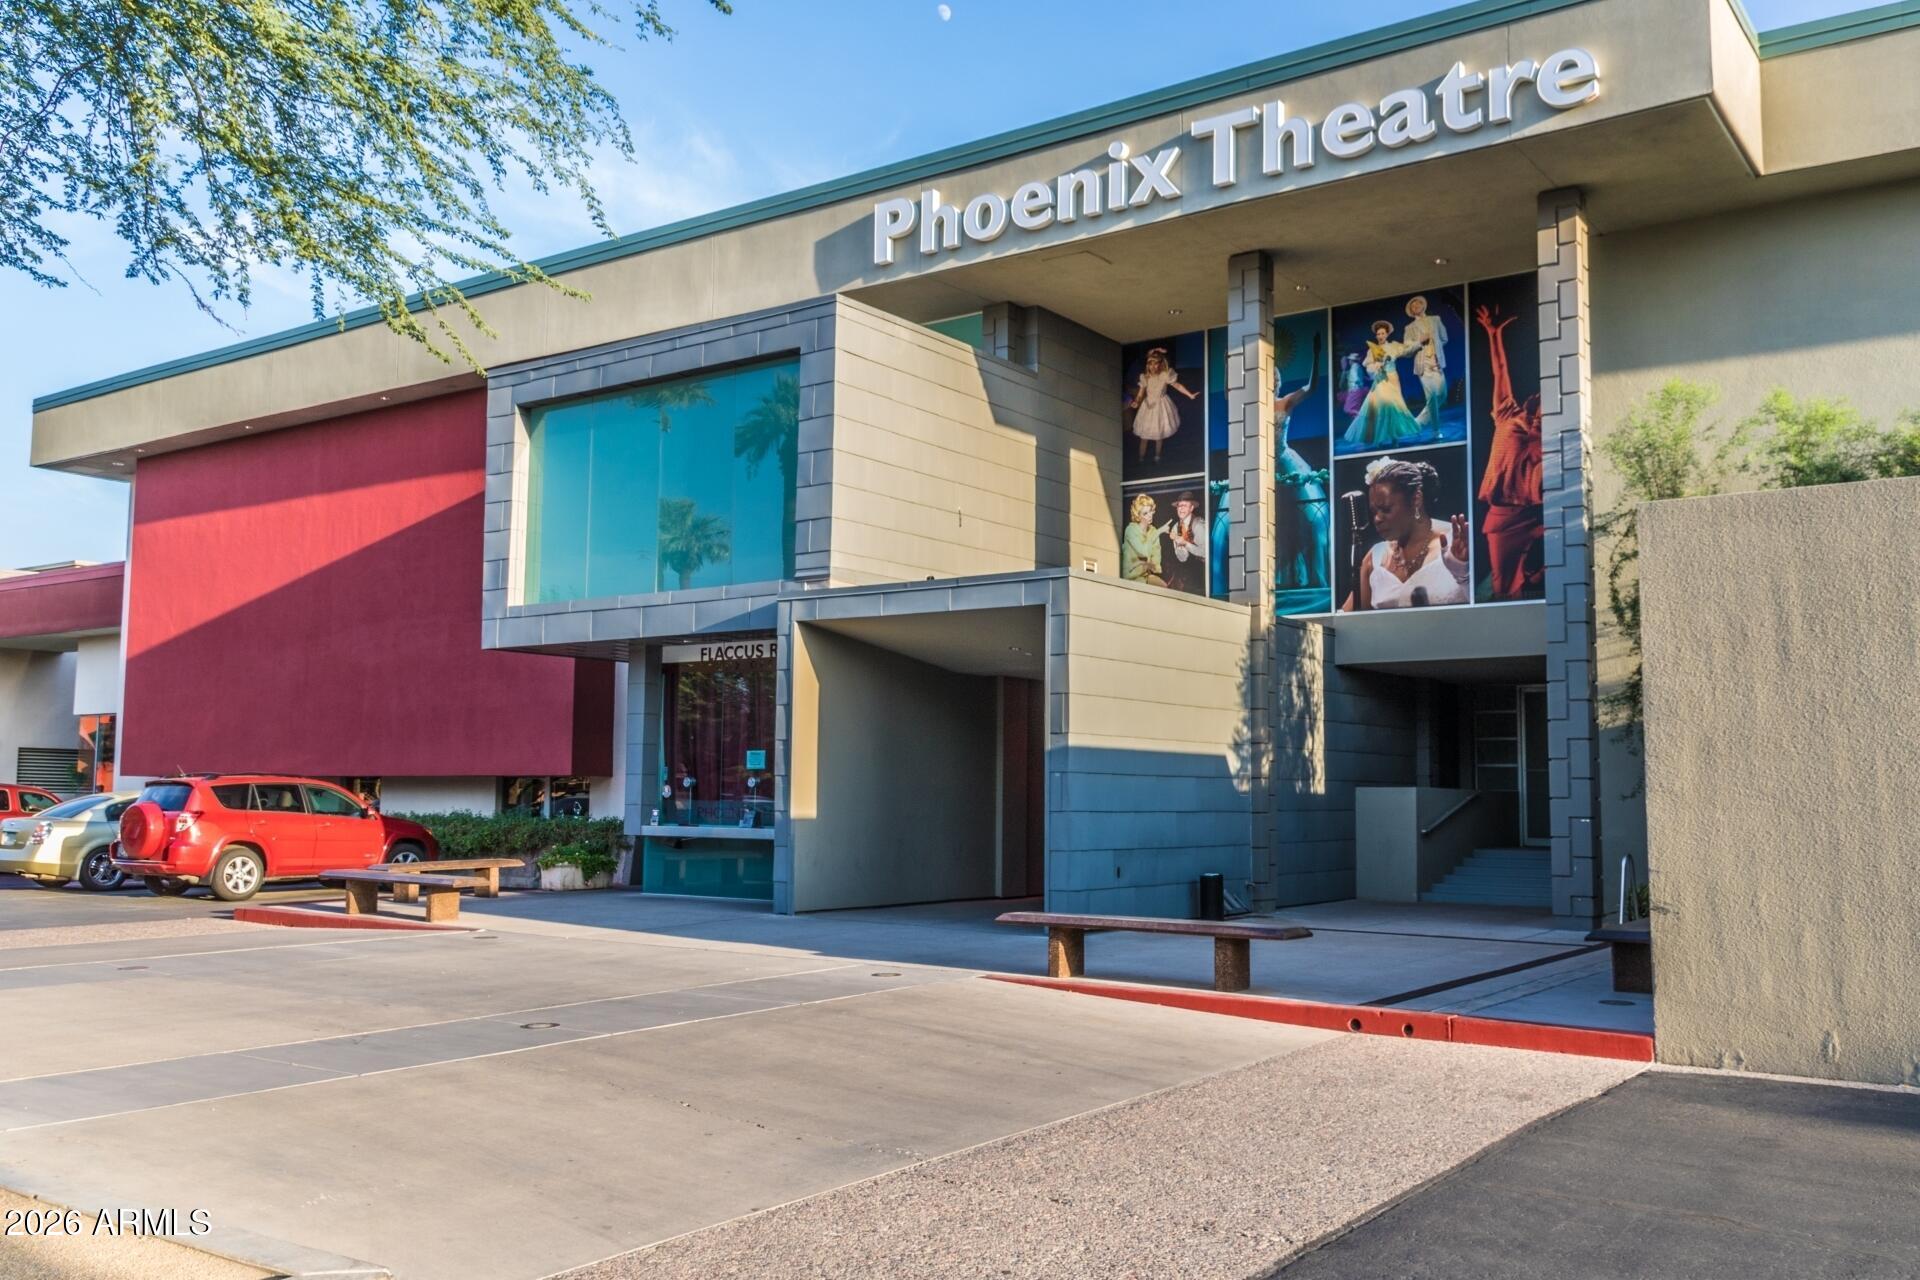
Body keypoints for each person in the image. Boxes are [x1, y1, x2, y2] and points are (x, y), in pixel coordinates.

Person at [1475, 303, 1545, 598]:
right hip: (1505, 516)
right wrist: (1493, 334)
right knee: (1504, 591)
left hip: (1542, 514)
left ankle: (1534, 577)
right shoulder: (1508, 416)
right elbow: (1499, 370)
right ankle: (1524, 581)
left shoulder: (1554, 436)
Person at [1340, 455, 1469, 611]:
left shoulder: (1456, 543)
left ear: (1416, 499)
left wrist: (1462, 572)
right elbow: (1346, 619)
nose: (1377, 519)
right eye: (1374, 512)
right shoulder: (1376, 557)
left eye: (1386, 509)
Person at [1275, 332, 1330, 590]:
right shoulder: (1250, 407)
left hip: (1284, 459)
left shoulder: (1284, 403)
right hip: (1261, 465)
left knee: (1309, 515)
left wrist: (1317, 356)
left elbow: (1312, 387)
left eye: (1273, 379)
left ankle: (1314, 575)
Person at [1342, 322, 1424, 448]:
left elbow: (1407, 349)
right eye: (1378, 334)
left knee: (1393, 407)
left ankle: (1394, 437)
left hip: (1392, 378)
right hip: (1380, 380)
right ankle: (1378, 438)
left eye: (1383, 333)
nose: (1380, 336)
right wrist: (1375, 367)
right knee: (1380, 406)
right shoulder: (1372, 350)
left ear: (1387, 334)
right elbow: (1367, 365)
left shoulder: (1394, 346)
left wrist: (1419, 343)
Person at [1127, 347, 1199, 463]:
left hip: (1161, 406)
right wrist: (1136, 402)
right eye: (1150, 364)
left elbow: (1177, 386)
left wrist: (1189, 395)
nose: (1153, 366)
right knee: (1144, 436)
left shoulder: (1165, 375)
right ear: (1148, 365)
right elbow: (1140, 394)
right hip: (1148, 406)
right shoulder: (1145, 377)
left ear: (1160, 364)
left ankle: (1157, 456)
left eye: (1156, 364)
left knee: (1159, 433)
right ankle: (1140, 458)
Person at [1404, 295, 1450, 430]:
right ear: (1411, 311)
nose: (1415, 307)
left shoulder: (1435, 319)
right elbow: (1406, 350)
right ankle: (1436, 430)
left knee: (1442, 395)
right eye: (1413, 306)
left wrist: (1436, 349)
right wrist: (1419, 342)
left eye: (1417, 304)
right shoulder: (1410, 327)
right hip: (1423, 364)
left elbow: (1444, 338)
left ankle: (1418, 422)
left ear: (1423, 305)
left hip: (1437, 363)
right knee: (1432, 398)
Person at [1163, 491, 1208, 594]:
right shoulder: (1175, 527)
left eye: (1184, 506)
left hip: (1203, 574)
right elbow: (1182, 559)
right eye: (1179, 506)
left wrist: (1185, 543)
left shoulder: (1199, 525)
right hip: (1188, 577)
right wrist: (1178, 544)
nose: (1181, 509)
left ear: (1191, 508)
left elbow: (1205, 552)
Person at [1121, 491, 1167, 587]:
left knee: (1163, 586)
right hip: (1131, 578)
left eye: (1150, 511)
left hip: (1146, 576)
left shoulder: (1152, 531)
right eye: (1145, 513)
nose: (1149, 515)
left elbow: (1156, 559)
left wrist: (1151, 565)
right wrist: (1159, 532)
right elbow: (1143, 551)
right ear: (1138, 515)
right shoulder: (1130, 530)